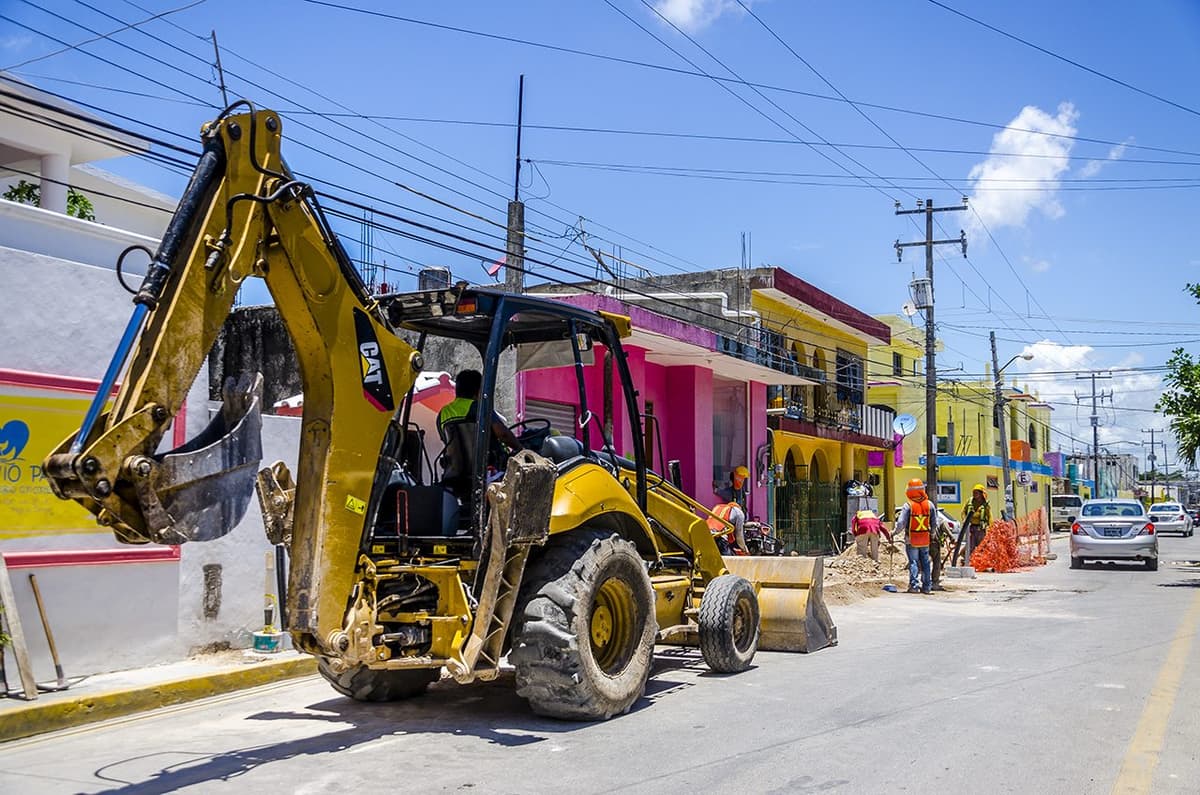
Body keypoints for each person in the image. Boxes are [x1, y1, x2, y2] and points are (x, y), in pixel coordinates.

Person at [437, 369, 523, 452]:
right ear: (479, 391)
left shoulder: (442, 414)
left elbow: (446, 440)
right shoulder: (480, 408)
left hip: (456, 465)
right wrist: (521, 449)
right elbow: (503, 434)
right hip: (489, 462)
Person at [895, 478, 935, 594]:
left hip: (911, 538)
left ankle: (914, 586)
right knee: (926, 562)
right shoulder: (930, 505)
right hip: (925, 539)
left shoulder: (908, 506)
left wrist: (894, 533)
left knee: (913, 562)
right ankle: (927, 587)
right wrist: (932, 535)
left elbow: (901, 523)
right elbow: (934, 523)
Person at [962, 483, 992, 556]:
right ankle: (968, 561)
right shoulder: (969, 501)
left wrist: (991, 528)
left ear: (981, 494)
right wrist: (964, 521)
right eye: (974, 492)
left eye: (977, 492)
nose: (974, 494)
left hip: (980, 529)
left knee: (981, 547)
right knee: (970, 546)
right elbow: (963, 512)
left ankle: (980, 562)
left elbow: (990, 516)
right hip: (971, 528)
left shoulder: (985, 504)